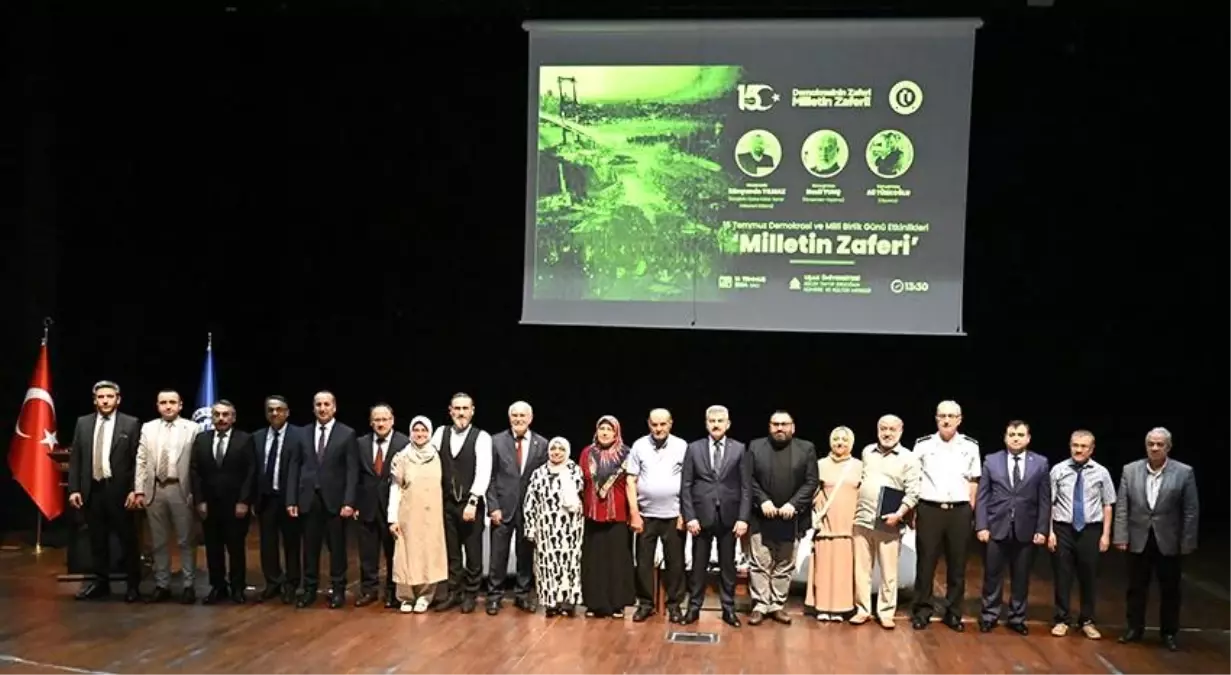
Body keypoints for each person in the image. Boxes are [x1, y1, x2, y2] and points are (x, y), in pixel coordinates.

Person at [1114, 427, 1199, 651]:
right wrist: (1121, 536)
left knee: (1170, 589)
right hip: (1138, 537)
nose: (1154, 448)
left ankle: (1169, 633)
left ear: (1168, 447)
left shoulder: (1184, 472)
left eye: (1159, 444)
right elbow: (1122, 506)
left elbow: (1191, 510)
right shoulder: (1130, 470)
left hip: (1169, 539)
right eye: (1151, 443)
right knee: (1135, 588)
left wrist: (1187, 541)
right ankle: (1134, 628)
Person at [67, 380, 143, 602]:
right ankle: (101, 583)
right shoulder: (83, 423)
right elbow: (76, 459)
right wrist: (74, 489)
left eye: (110, 396)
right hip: (93, 490)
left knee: (127, 540)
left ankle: (133, 586)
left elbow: (138, 460)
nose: (105, 401)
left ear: (118, 399)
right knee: (97, 541)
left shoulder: (130, 424)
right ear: (95, 400)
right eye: (101, 397)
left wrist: (134, 490)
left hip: (119, 492)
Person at [975, 420, 1050, 635]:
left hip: (1026, 529)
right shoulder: (991, 461)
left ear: (1028, 438)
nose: (1015, 438)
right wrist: (982, 525)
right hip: (996, 527)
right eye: (1011, 434)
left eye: (1020, 434)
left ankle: (1017, 617)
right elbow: (982, 497)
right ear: (1005, 437)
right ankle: (989, 615)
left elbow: (1045, 499)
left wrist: (1042, 529)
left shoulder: (1041, 463)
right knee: (992, 575)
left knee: (1021, 576)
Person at [286, 390, 360, 609]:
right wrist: (291, 499)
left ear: (334, 407)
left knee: (337, 548)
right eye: (318, 404)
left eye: (327, 404)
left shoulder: (347, 434)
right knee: (309, 548)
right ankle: (309, 590)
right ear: (313, 408)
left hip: (335, 501)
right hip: (308, 499)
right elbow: (294, 468)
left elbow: (351, 471)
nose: (322, 408)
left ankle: (338, 590)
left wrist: (349, 501)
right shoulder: (302, 434)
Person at [911, 400, 980, 631]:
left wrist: (969, 510)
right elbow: (914, 479)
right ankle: (922, 611)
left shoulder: (970, 446)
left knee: (957, 566)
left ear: (960, 419)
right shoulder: (922, 445)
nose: (947, 420)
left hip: (958, 511)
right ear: (936, 418)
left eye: (951, 416)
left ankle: (953, 613)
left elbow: (973, 481)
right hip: (929, 509)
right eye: (942, 416)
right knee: (926, 564)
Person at [745, 411, 818, 625]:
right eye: (775, 424)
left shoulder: (806, 448)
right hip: (761, 515)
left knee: (784, 564)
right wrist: (763, 501)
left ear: (792, 427)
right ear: (769, 426)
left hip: (791, 517)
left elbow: (811, 481)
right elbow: (748, 478)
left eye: (784, 424)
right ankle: (760, 605)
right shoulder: (756, 447)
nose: (780, 428)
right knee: (760, 562)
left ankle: (777, 605)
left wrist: (793, 504)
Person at [680, 405, 749, 627]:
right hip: (701, 517)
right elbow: (686, 485)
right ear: (706, 423)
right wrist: (689, 516)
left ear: (728, 424)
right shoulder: (694, 448)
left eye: (720, 420)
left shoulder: (739, 449)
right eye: (712, 420)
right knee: (698, 566)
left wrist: (743, 518)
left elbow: (746, 487)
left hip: (729, 517)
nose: (716, 424)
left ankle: (729, 609)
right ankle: (693, 609)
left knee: (728, 567)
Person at [850, 414, 920, 629]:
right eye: (883, 428)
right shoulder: (867, 453)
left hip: (889, 522)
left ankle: (886, 611)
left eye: (892, 429)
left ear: (900, 431)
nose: (887, 433)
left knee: (889, 572)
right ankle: (862, 610)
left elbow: (913, 492)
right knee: (861, 569)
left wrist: (899, 514)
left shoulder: (909, 458)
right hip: (862, 520)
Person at [133, 389, 200, 604]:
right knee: (159, 541)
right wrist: (139, 489)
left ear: (180, 405)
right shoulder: (148, 428)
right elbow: (141, 460)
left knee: (185, 540)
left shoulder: (192, 428)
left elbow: (197, 463)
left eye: (172, 402)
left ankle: (189, 584)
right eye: (163, 402)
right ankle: (162, 584)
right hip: (155, 489)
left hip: (180, 489)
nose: (168, 406)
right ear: (157, 405)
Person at [1047, 429, 1115, 639]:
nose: (1078, 450)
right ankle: (1061, 619)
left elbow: (1108, 504)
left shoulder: (1101, 472)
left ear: (1092, 449)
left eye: (1083, 446)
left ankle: (1087, 620)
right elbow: (1049, 503)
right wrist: (1049, 532)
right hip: (1063, 529)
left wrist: (1105, 535)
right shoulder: (1058, 470)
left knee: (1089, 577)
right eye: (1075, 445)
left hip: (1090, 530)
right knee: (1062, 576)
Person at [432, 392, 494, 613]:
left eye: (465, 409)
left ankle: (471, 593)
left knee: (473, 552)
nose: (461, 413)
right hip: (447, 503)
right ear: (450, 411)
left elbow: (483, 471)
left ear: (472, 411)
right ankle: (454, 592)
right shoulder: (440, 433)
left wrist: (473, 500)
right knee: (452, 552)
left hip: (470, 504)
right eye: (456, 409)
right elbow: (428, 459)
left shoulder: (482, 437)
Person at [485, 400, 549, 615]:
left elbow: (544, 480)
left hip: (530, 511)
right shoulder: (496, 442)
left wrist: (539, 510)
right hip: (502, 509)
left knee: (525, 555)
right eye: (515, 415)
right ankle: (494, 597)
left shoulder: (542, 444)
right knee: (498, 555)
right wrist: (493, 506)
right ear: (509, 418)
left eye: (523, 416)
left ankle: (522, 595)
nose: (519, 419)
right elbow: (490, 477)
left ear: (530, 418)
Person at [189, 400, 256, 604]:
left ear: (233, 418)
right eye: (217, 415)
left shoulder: (245, 439)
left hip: (235, 505)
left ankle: (237, 588)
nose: (221, 419)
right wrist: (199, 500)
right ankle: (218, 587)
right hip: (209, 505)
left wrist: (244, 501)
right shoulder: (201, 439)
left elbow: (250, 472)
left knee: (235, 548)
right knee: (213, 548)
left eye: (226, 415)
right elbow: (195, 471)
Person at [627, 408, 688, 623]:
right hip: (645, 515)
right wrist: (634, 513)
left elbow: (688, 482)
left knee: (676, 563)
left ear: (671, 424)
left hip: (674, 515)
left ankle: (674, 605)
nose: (658, 428)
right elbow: (630, 481)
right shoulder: (639, 445)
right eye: (654, 424)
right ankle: (645, 604)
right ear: (648, 424)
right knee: (643, 562)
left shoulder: (681, 446)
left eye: (663, 424)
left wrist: (684, 513)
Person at [388, 416, 448, 614]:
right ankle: (406, 596)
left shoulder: (437, 455)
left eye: (423, 431)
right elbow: (395, 488)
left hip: (432, 515)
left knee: (428, 554)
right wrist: (392, 518)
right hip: (408, 514)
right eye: (416, 430)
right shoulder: (402, 457)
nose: (420, 434)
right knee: (406, 554)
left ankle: (425, 596)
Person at [579, 415, 636, 619]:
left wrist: (634, 514)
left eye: (609, 429)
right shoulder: (587, 453)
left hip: (618, 515)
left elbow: (632, 484)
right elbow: (581, 483)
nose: (604, 432)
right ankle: (595, 604)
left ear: (616, 432)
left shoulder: (627, 454)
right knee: (594, 561)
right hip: (592, 515)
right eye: (601, 428)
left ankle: (617, 604)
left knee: (617, 560)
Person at [252, 395, 306, 604]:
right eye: (270, 410)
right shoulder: (257, 437)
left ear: (287, 412)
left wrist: (296, 498)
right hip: (266, 498)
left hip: (289, 498)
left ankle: (292, 584)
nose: (275, 413)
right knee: (267, 544)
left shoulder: (299, 436)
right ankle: (273, 582)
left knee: (291, 543)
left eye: (279, 409)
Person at [522, 436, 585, 617]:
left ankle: (568, 602)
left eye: (561, 449)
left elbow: (581, 498)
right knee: (547, 565)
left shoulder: (575, 471)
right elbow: (530, 502)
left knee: (569, 565)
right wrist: (531, 527)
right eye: (553, 449)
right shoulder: (539, 473)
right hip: (546, 529)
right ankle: (550, 602)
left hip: (571, 529)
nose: (556, 452)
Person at [354, 404, 408, 608]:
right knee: (367, 552)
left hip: (392, 507)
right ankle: (369, 590)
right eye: (377, 419)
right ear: (371, 422)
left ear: (392, 420)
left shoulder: (403, 442)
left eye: (385, 419)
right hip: (366, 505)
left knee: (393, 551)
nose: (381, 423)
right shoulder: (360, 443)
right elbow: (354, 474)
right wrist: (353, 502)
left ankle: (393, 592)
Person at [806, 426, 862, 622]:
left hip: (848, 525)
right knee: (824, 566)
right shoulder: (820, 464)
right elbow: (810, 492)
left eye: (844, 440)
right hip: (826, 525)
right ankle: (822, 606)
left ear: (851, 443)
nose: (840, 443)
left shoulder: (858, 466)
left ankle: (841, 607)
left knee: (844, 568)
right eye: (836, 439)